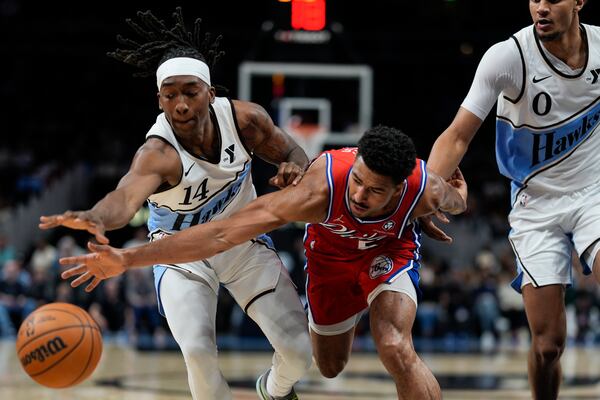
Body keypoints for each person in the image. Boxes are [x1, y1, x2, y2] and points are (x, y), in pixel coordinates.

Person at [58, 126, 468, 400]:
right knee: (328, 366)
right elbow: (222, 233)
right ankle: (276, 384)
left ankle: (378, 306)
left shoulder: (426, 190)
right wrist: (128, 258)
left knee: (395, 345)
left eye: (375, 190)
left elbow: (458, 198)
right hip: (329, 262)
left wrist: (429, 209)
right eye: (357, 180)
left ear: (400, 188)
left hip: (387, 256)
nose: (359, 194)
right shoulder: (317, 190)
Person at [39, 8, 312, 400]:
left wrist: (295, 167)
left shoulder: (246, 120)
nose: (180, 104)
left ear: (211, 92)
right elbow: (125, 196)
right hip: (180, 256)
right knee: (199, 354)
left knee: (300, 354)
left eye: (190, 92)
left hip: (241, 246)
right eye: (170, 95)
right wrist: (96, 215)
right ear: (159, 99)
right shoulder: (158, 152)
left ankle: (273, 390)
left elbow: (291, 149)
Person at [424, 1, 600, 398]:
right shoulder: (508, 56)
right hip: (535, 204)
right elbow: (456, 136)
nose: (541, 7)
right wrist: (426, 195)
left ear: (579, 2)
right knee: (548, 344)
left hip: (594, 193)